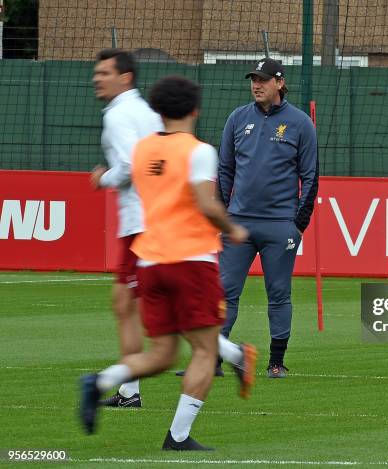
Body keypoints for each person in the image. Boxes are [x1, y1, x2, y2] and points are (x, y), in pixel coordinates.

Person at [79, 75, 256, 450]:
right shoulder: (199, 151)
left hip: (150, 261)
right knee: (205, 351)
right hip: (191, 259)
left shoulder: (143, 150)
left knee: (161, 354)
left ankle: (100, 382)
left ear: (157, 112)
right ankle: (178, 436)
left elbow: (141, 186)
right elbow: (205, 203)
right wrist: (233, 229)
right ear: (195, 110)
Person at [218, 58, 319, 378]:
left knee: (278, 293)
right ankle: (214, 357)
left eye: (262, 79)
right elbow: (225, 169)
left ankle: (277, 361)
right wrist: (224, 215)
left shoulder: (301, 123)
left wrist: (298, 223)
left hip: (280, 225)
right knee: (224, 290)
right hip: (238, 222)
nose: (256, 85)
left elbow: (311, 176)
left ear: (279, 83)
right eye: (253, 79)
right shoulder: (237, 118)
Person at [90, 48, 163, 407]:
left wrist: (104, 178)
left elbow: (132, 166)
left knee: (126, 305)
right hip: (157, 217)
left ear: (125, 77)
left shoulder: (119, 116)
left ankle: (232, 353)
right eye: (97, 73)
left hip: (140, 222)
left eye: (104, 73)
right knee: (141, 303)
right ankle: (129, 389)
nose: (97, 78)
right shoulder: (147, 113)